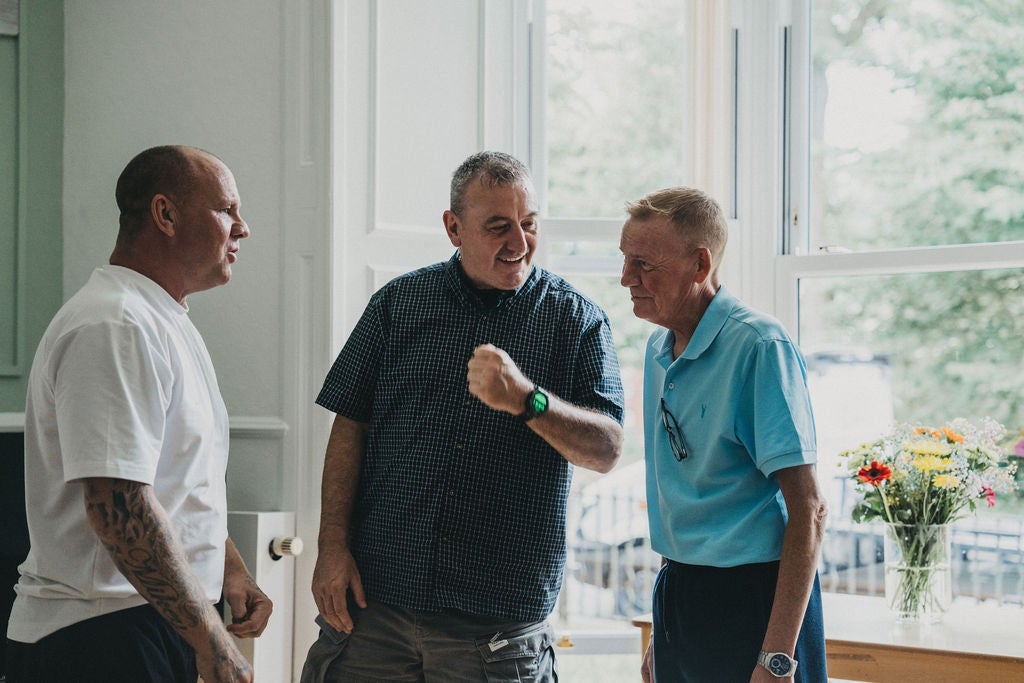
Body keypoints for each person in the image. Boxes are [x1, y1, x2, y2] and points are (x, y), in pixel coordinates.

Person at [301, 151, 625, 682]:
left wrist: (528, 399)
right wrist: (331, 546)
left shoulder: (576, 320)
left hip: (498, 625)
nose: (519, 243)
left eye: (529, 224)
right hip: (375, 606)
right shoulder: (397, 305)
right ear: (453, 228)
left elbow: (607, 450)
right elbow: (349, 424)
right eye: (498, 227)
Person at [5, 145, 272, 683]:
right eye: (226, 210)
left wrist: (229, 571)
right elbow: (119, 504)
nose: (242, 228)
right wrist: (211, 639)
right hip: (98, 635)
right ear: (165, 214)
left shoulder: (161, 319)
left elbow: (175, 482)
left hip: (149, 620)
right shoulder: (115, 324)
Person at [620, 187, 828, 682]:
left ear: (700, 264)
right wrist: (664, 630)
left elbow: (810, 509)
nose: (626, 277)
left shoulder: (760, 345)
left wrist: (777, 657)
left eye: (644, 264)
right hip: (680, 591)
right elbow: (681, 499)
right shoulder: (657, 350)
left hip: (755, 600)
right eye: (625, 259)